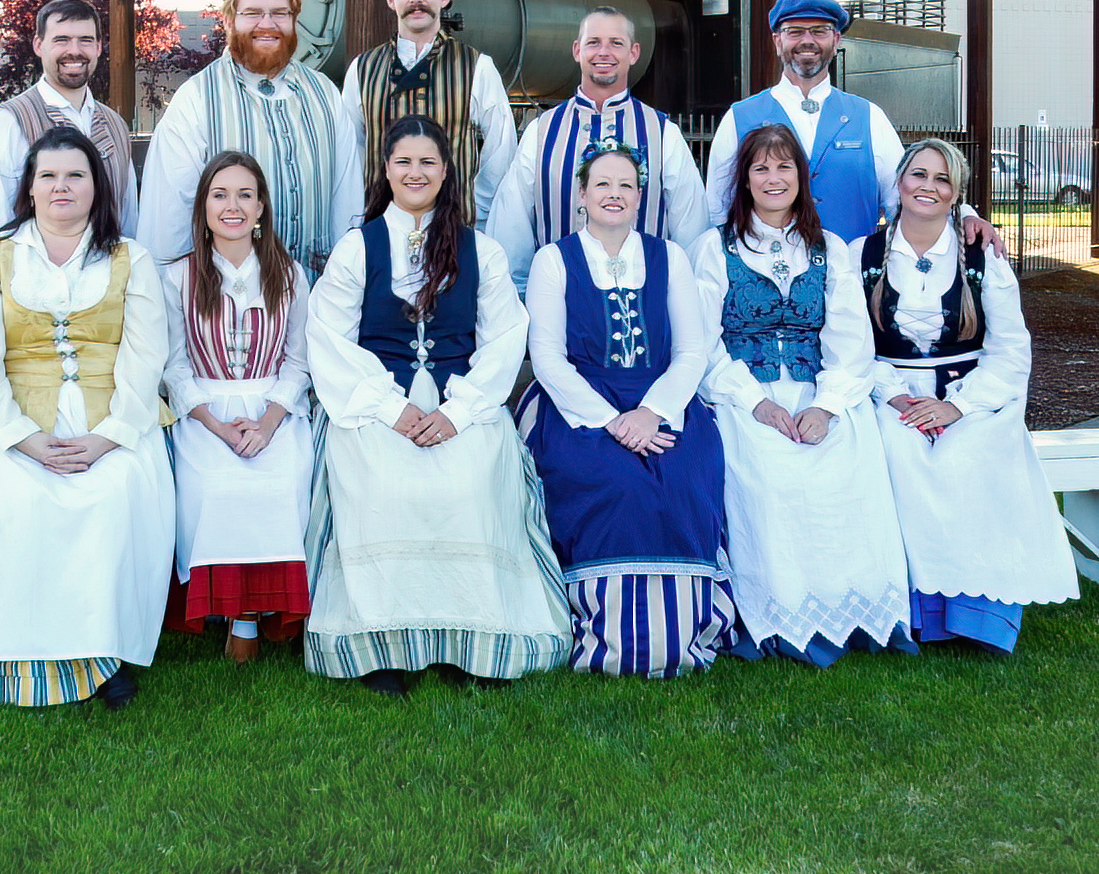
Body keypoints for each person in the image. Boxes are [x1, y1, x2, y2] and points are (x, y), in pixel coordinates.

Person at [305, 115, 569, 696]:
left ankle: (466, 638)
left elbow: (504, 340)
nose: (416, 172)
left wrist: (458, 410)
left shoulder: (482, 251)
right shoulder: (359, 247)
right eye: (404, 162)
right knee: (382, 478)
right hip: (376, 402)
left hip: (461, 400)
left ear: (447, 172)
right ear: (386, 171)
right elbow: (327, 337)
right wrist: (388, 407)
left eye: (428, 162)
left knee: (470, 475)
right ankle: (385, 645)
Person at [0, 127, 174, 709]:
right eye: (48, 175)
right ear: (29, 187)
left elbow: (146, 361)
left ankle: (104, 654)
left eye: (76, 175)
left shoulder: (132, 258)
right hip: (17, 419)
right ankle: (27, 650)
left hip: (112, 417)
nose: (61, 187)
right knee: (19, 501)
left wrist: (109, 438)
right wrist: (21, 439)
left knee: (115, 491)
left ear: (97, 186)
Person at [691, 122, 912, 666]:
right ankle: (779, 616)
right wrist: (756, 401)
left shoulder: (828, 249)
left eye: (783, 167)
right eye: (760, 168)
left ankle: (853, 613)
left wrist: (826, 405)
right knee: (768, 469)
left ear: (800, 178)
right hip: (743, 394)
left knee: (847, 462)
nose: (772, 178)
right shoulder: (713, 249)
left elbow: (850, 341)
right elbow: (700, 342)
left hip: (817, 389)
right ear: (743, 180)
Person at [519, 141, 734, 676]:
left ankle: (685, 630)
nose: (614, 195)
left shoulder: (670, 257)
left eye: (626, 186)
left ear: (640, 197)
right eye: (603, 185)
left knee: (682, 475)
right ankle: (599, 635)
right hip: (578, 405)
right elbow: (546, 357)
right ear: (582, 196)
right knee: (613, 481)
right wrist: (612, 420)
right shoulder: (555, 260)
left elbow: (691, 351)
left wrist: (652, 411)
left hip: (662, 401)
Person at [859, 138, 1078, 653]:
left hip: (969, 392)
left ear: (957, 193)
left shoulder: (982, 255)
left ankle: (978, 615)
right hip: (890, 391)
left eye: (942, 179)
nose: (928, 187)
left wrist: (956, 406)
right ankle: (919, 616)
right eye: (918, 175)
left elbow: (1010, 350)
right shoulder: (863, 254)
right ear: (899, 184)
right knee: (899, 453)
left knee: (971, 455)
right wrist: (898, 399)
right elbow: (851, 346)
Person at [161, 152, 316, 662]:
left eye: (244, 194)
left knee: (284, 478)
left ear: (262, 206)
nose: (232, 206)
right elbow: (175, 368)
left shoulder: (289, 274)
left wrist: (269, 423)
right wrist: (220, 427)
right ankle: (233, 614)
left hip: (274, 408)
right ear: (203, 206)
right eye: (219, 194)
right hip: (205, 413)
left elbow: (299, 362)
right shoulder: (178, 277)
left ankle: (253, 617)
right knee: (214, 485)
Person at [704, 0, 996, 251]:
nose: (807, 41)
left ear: (836, 40)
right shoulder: (740, 117)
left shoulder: (869, 116)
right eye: (795, 31)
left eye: (820, 31)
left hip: (852, 279)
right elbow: (717, 208)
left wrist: (966, 215)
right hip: (767, 281)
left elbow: (904, 193)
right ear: (777, 41)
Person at [138, 0, 361, 275]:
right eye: (253, 13)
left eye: (280, 13)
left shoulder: (325, 95)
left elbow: (347, 203)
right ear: (229, 20)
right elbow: (168, 224)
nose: (267, 24)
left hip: (316, 302)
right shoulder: (197, 100)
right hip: (227, 308)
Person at [487, 6, 712, 291]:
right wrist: (518, 297)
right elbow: (512, 223)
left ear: (633, 53)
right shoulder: (542, 131)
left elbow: (691, 229)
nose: (603, 52)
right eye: (593, 43)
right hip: (560, 302)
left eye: (616, 43)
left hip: (645, 303)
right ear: (577, 50)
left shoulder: (662, 132)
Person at [340, 0, 516, 228]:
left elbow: (501, 150)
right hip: (381, 228)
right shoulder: (362, 69)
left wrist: (475, 210)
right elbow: (349, 153)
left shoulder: (477, 66)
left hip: (455, 231)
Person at [0, 0, 139, 246]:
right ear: (39, 45)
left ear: (99, 47)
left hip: (107, 278)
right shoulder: (11, 121)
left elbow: (128, 217)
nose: (74, 51)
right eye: (61, 40)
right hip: (34, 280)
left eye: (85, 40)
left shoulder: (115, 125)